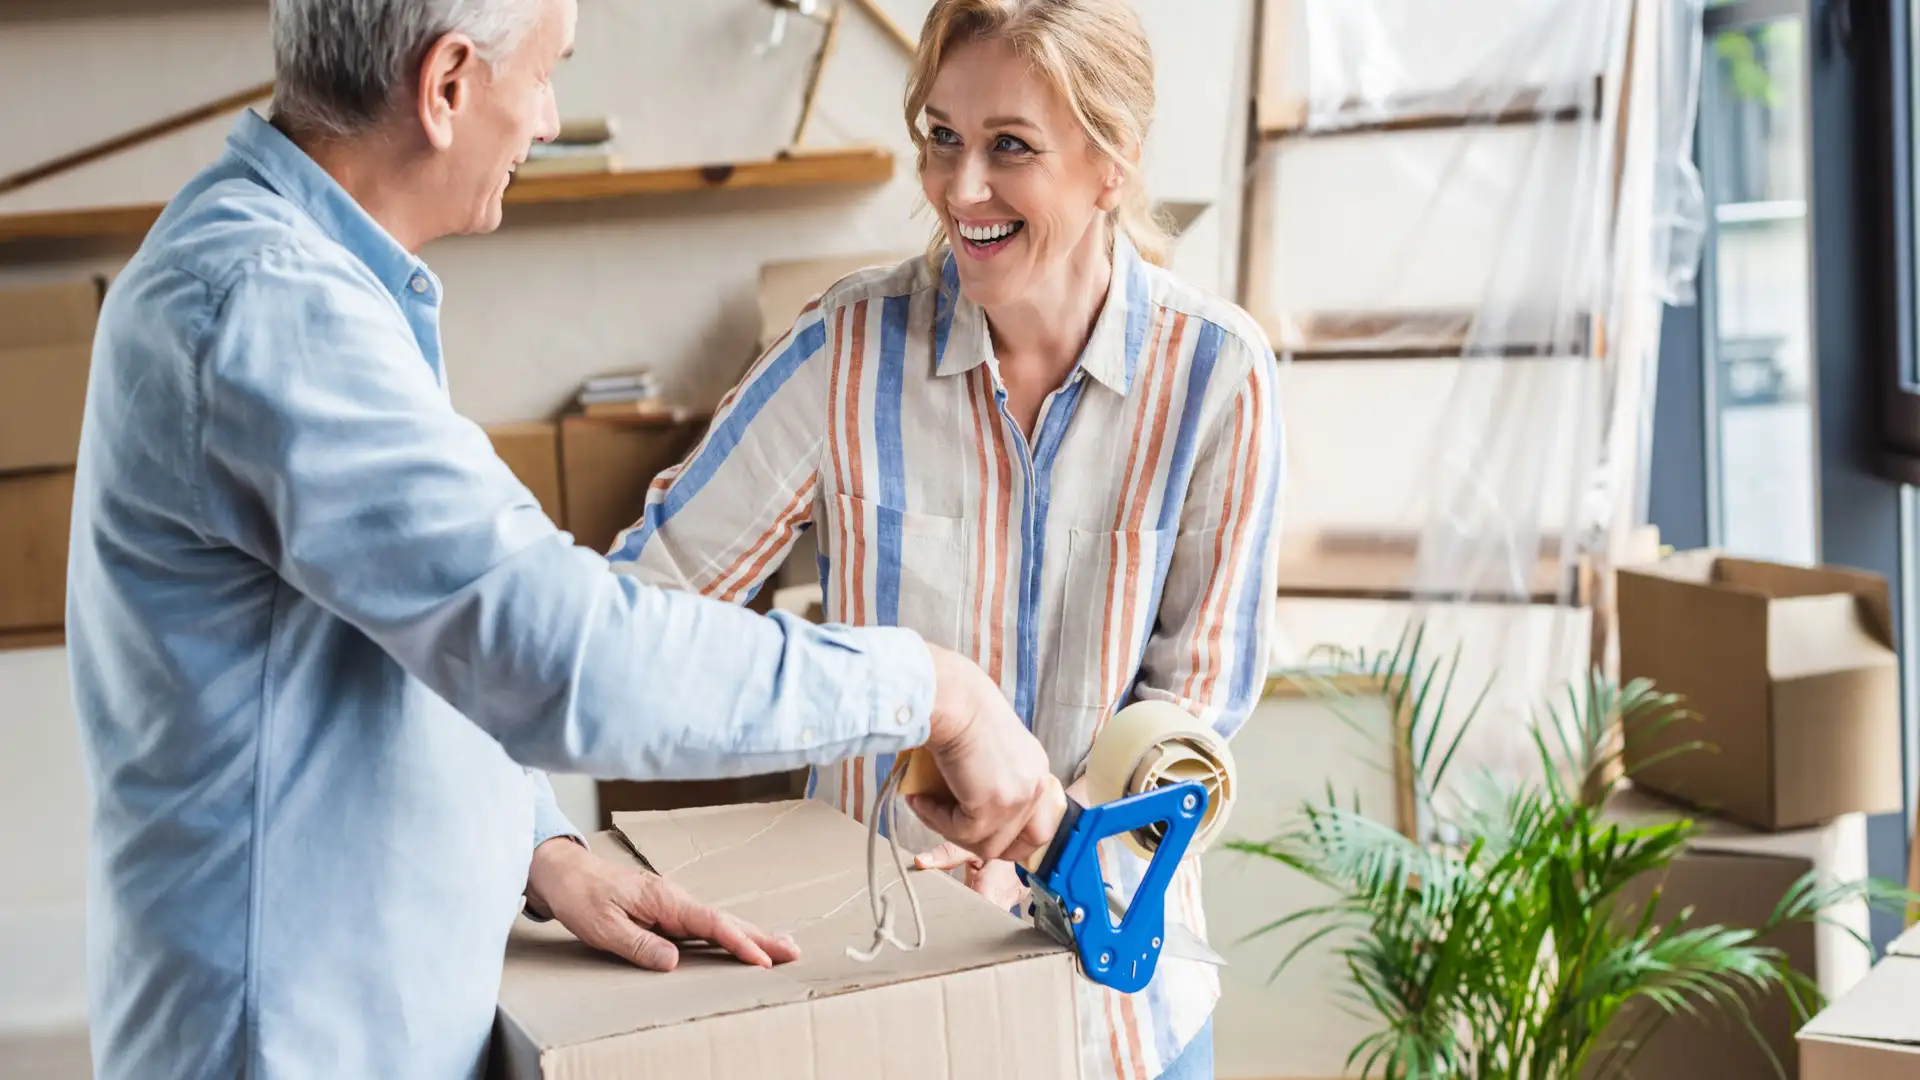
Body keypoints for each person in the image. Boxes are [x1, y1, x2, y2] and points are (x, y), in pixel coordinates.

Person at [64, 1, 1068, 1077]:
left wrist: (535, 842)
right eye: (545, 76)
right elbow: (564, 652)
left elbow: (435, 629)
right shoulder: (269, 311)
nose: (547, 120)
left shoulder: (316, 282)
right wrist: (932, 689)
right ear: (447, 86)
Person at [605, 1, 1286, 1076]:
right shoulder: (844, 351)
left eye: (1009, 146)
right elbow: (644, 605)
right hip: (880, 984)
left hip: (1119, 1008)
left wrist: (1047, 853)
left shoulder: (1217, 378)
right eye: (941, 138)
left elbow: (1193, 719)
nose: (959, 191)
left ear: (1114, 162)